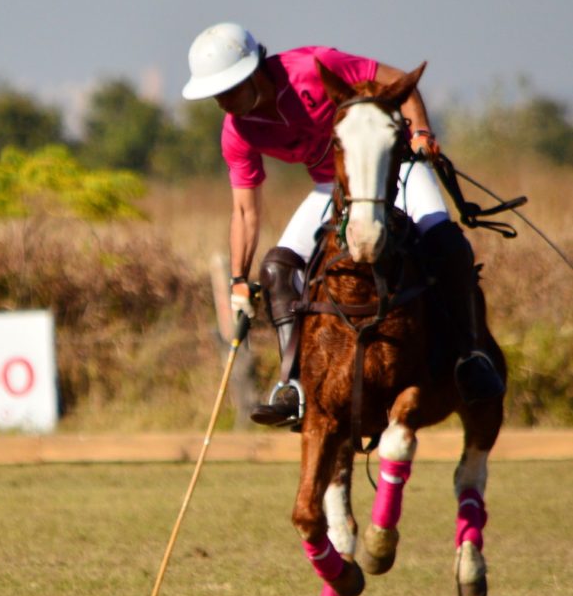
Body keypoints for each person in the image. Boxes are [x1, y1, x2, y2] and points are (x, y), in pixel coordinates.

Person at [182, 22, 505, 426]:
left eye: (228, 89)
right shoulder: (237, 131)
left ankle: (469, 357)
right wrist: (238, 280)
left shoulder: (313, 66)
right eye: (215, 94)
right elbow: (245, 210)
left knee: (446, 242)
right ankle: (292, 385)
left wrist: (420, 132)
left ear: (252, 72)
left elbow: (394, 80)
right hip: (331, 187)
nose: (223, 102)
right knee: (277, 268)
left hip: (395, 170)